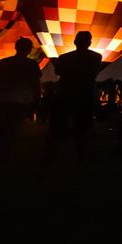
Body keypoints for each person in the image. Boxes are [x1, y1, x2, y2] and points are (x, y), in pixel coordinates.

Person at [48, 31, 102, 162]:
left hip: (65, 94)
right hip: (85, 94)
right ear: (89, 42)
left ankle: (50, 155)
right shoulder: (96, 57)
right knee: (82, 127)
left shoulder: (64, 58)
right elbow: (94, 72)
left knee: (56, 126)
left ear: (75, 42)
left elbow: (58, 72)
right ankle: (82, 155)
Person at [0, 38, 41, 159]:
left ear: (16, 47)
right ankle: (5, 152)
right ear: (29, 50)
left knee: (1, 127)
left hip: (3, 99)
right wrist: (36, 101)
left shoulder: (2, 63)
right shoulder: (31, 65)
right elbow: (36, 84)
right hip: (21, 100)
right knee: (13, 127)